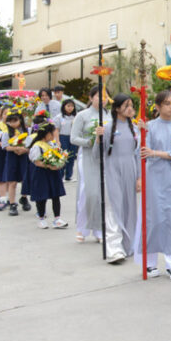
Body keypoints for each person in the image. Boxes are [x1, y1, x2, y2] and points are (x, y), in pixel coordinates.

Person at [136, 90, 171, 279]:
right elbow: (142, 151)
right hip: (153, 178)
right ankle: (150, 263)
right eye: (167, 103)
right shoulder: (149, 126)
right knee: (154, 218)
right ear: (158, 107)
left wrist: (156, 153)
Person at [99, 94, 140, 262]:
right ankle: (114, 249)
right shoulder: (108, 128)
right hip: (113, 170)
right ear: (117, 109)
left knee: (129, 208)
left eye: (131, 105)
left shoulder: (135, 128)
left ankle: (128, 244)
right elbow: (98, 154)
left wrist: (139, 177)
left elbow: (137, 154)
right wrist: (97, 138)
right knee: (114, 208)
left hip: (130, 170)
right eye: (126, 106)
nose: (130, 108)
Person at [70, 87, 110, 243]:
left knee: (102, 194)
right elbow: (74, 138)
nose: (103, 99)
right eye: (100, 96)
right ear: (91, 97)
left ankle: (99, 228)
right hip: (87, 156)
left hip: (104, 157)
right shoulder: (82, 115)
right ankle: (82, 228)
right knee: (88, 193)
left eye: (106, 96)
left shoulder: (109, 115)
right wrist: (91, 142)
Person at [26, 118, 68, 229]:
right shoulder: (37, 146)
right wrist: (49, 166)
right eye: (51, 133)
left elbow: (60, 156)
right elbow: (36, 161)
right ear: (45, 134)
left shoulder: (52, 144)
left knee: (56, 195)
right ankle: (41, 218)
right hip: (41, 173)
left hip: (53, 173)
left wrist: (60, 163)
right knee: (42, 196)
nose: (53, 135)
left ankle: (57, 218)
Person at [0, 111, 29, 216]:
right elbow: (5, 146)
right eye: (10, 122)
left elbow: (30, 144)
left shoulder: (26, 130)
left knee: (25, 179)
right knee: (12, 181)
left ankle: (24, 198)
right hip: (12, 157)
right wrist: (16, 149)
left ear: (20, 120)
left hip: (24, 156)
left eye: (15, 121)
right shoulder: (7, 133)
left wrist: (24, 149)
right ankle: (12, 204)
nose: (13, 124)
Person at [58, 99, 78, 181]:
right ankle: (61, 175)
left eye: (72, 106)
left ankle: (69, 176)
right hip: (63, 137)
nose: (70, 108)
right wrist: (57, 140)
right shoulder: (59, 117)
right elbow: (56, 129)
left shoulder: (76, 117)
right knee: (63, 156)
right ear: (64, 107)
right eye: (68, 106)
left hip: (73, 137)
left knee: (72, 156)